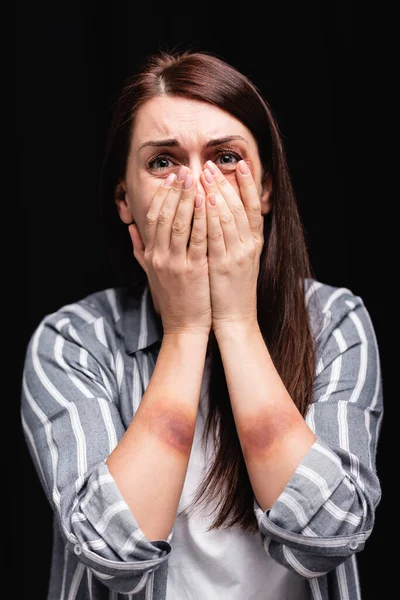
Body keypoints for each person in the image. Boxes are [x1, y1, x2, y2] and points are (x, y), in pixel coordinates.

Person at [21, 49, 383, 600]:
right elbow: (116, 558)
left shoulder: (334, 322)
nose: (196, 185)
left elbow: (325, 538)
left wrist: (235, 321)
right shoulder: (71, 342)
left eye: (226, 157)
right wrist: (187, 330)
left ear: (264, 191)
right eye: (163, 162)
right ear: (125, 199)